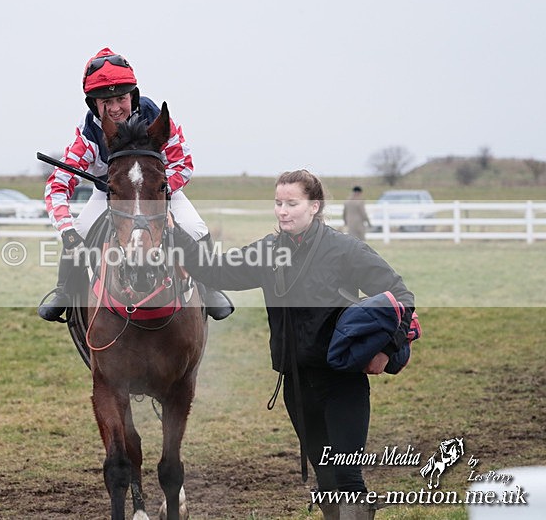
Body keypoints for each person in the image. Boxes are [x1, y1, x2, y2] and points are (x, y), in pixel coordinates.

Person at [167, 170, 415, 519]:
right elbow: (217, 271)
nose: (283, 211)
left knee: (347, 476)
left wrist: (387, 350)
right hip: (297, 388)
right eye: (278, 203)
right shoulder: (267, 251)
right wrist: (174, 232)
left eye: (292, 203)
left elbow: (400, 296)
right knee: (326, 479)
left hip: (342, 384)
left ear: (314, 206)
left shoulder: (345, 250)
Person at [38, 47, 233, 322]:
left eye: (121, 98)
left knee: (196, 228)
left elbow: (183, 164)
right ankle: (65, 291)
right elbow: (57, 185)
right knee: (80, 231)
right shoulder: (88, 136)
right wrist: (67, 231)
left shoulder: (157, 119)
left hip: (157, 191)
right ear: (94, 104)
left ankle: (211, 287)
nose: (115, 108)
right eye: (106, 102)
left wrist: (158, 193)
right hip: (109, 194)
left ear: (133, 96)